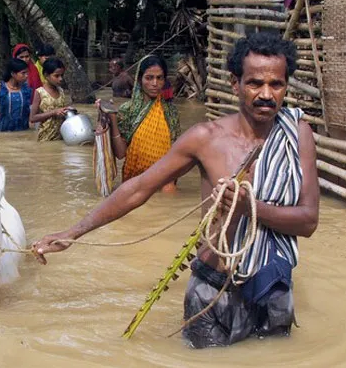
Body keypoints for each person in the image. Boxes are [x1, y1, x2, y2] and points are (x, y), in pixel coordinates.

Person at [32, 32, 319, 349]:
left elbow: (308, 221)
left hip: (273, 285)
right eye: (254, 83)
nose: (266, 94)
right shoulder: (205, 138)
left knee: (277, 360)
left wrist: (247, 207)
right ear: (235, 83)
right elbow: (139, 188)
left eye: (276, 84)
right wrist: (73, 233)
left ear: (286, 86)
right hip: (214, 288)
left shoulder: (297, 133)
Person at [104, 55, 180, 193]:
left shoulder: (171, 112)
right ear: (139, 80)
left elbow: (176, 153)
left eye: (159, 78)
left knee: (168, 195)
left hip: (164, 181)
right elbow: (121, 154)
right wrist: (113, 119)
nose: (155, 83)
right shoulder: (128, 110)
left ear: (165, 80)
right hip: (135, 181)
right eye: (149, 78)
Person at [0, 58, 32, 132]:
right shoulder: (0, 87)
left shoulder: (26, 89)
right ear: (13, 74)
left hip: (23, 129)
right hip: (3, 129)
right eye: (23, 73)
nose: (26, 75)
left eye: (27, 73)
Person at [29, 58, 69, 141]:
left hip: (60, 137)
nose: (60, 79)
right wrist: (54, 112)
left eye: (62, 75)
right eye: (56, 76)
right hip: (45, 138)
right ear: (46, 75)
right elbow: (32, 118)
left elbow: (62, 111)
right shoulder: (39, 92)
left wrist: (69, 110)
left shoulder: (61, 91)